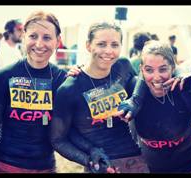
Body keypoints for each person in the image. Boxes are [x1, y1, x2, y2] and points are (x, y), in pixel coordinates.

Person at [50, 22, 149, 173]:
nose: (109, 51)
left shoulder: (123, 66)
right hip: (103, 164)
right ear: (88, 46)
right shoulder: (69, 88)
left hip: (137, 160)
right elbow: (58, 139)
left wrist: (135, 100)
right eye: (101, 44)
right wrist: (90, 160)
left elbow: (143, 78)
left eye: (114, 45)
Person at [0, 11, 68, 173]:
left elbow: (71, 129)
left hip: (46, 167)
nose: (39, 44)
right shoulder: (2, 77)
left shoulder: (62, 79)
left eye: (47, 37)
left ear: (57, 41)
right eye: (33, 36)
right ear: (24, 37)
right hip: (6, 166)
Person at [116, 40, 191, 173]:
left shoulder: (184, 88)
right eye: (149, 70)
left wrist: (184, 75)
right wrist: (79, 70)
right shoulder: (132, 88)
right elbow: (107, 71)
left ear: (173, 68)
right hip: (150, 167)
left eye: (163, 69)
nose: (156, 77)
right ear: (142, 70)